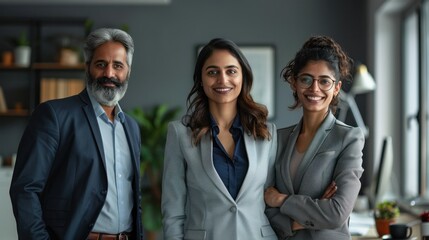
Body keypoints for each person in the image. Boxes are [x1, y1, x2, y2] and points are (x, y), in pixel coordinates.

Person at [9, 28, 143, 240]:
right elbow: (25, 189)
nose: (109, 73)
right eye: (101, 64)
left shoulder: (132, 128)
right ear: (87, 67)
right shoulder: (54, 115)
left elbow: (133, 197)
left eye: (118, 65)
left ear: (128, 72)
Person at [161, 38, 278, 239]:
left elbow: (272, 201)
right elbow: (173, 212)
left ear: (243, 77)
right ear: (201, 79)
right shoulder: (180, 133)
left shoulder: (266, 133)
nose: (223, 80)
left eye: (231, 71)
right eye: (212, 72)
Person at [264, 35, 365, 239]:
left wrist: (283, 200)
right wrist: (301, 219)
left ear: (336, 88)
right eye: (306, 79)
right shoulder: (279, 138)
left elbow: (336, 213)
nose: (314, 89)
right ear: (294, 83)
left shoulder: (349, 138)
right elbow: (265, 206)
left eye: (324, 81)